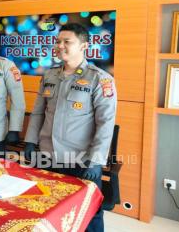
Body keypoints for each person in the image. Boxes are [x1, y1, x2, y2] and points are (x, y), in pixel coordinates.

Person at [24, 23, 117, 232]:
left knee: (88, 212)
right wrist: (30, 141)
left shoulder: (99, 79)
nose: (60, 46)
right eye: (58, 41)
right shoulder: (50, 75)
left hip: (80, 159)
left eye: (67, 42)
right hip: (47, 155)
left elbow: (105, 124)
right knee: (47, 205)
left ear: (84, 45)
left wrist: (96, 161)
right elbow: (38, 113)